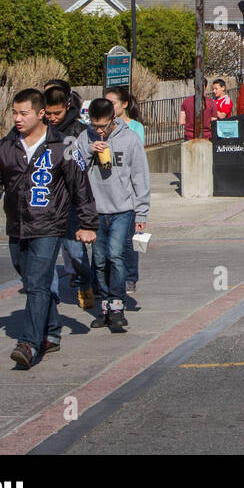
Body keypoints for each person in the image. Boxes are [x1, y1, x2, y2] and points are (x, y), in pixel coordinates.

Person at [0, 88, 98, 369]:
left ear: (41, 114)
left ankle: (29, 343)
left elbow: (81, 187)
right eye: (14, 113)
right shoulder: (6, 146)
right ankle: (52, 330)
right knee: (29, 279)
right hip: (17, 225)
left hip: (49, 224)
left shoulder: (63, 144)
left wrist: (88, 224)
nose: (17, 118)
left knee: (39, 284)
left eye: (23, 113)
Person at [76, 99, 150, 331]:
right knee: (98, 260)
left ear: (113, 119)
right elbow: (73, 164)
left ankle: (118, 303)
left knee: (116, 255)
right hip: (95, 210)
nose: (99, 131)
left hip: (122, 209)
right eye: (95, 126)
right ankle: (105, 304)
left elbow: (140, 176)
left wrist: (141, 213)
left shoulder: (130, 139)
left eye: (104, 126)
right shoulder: (85, 137)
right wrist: (89, 151)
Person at [44, 82, 94, 310]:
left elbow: (83, 171)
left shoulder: (79, 131)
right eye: (48, 113)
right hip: (46, 203)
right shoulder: (39, 130)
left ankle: (86, 281)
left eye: (58, 113)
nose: (53, 118)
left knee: (74, 252)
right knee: (45, 258)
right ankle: (49, 299)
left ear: (67, 106)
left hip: (71, 203)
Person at [104, 86, 147, 293]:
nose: (109, 107)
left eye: (112, 102)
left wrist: (141, 206)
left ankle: (130, 276)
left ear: (124, 104)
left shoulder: (135, 129)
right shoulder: (99, 130)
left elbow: (138, 166)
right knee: (108, 246)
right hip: (107, 195)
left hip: (128, 196)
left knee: (130, 241)